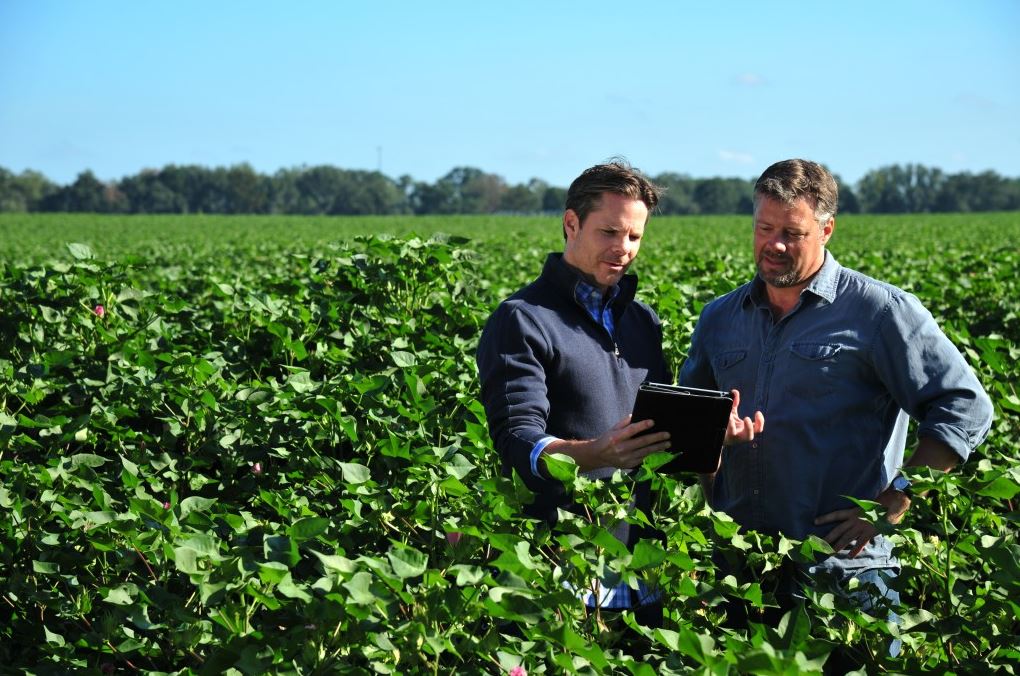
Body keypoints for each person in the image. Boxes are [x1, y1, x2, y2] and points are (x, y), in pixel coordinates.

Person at [679, 159, 994, 640]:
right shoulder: (721, 317)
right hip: (742, 566)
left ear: (827, 229)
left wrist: (892, 503)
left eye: (793, 232)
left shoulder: (879, 312)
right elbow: (690, 422)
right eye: (765, 228)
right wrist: (711, 458)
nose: (775, 245)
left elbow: (965, 407)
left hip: (844, 571)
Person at [476, 160, 762, 627]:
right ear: (572, 224)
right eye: (609, 232)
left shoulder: (641, 321)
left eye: (634, 237)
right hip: (563, 571)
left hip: (640, 568)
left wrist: (710, 436)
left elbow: (656, 434)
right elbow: (516, 438)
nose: (623, 248)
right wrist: (592, 453)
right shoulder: (523, 319)